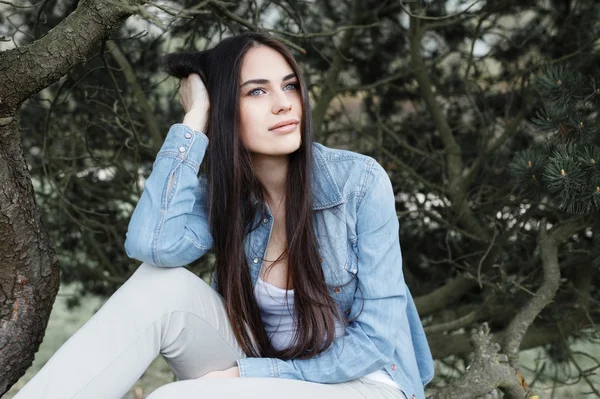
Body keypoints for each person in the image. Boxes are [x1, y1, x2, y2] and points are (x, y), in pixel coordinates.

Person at [14, 31, 433, 399]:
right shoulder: (225, 193)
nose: (284, 104)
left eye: (289, 85)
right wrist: (195, 120)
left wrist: (253, 373)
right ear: (223, 109)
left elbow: (375, 340)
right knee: (160, 284)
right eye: (257, 91)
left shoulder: (358, 182)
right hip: (261, 366)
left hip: (365, 384)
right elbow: (152, 244)